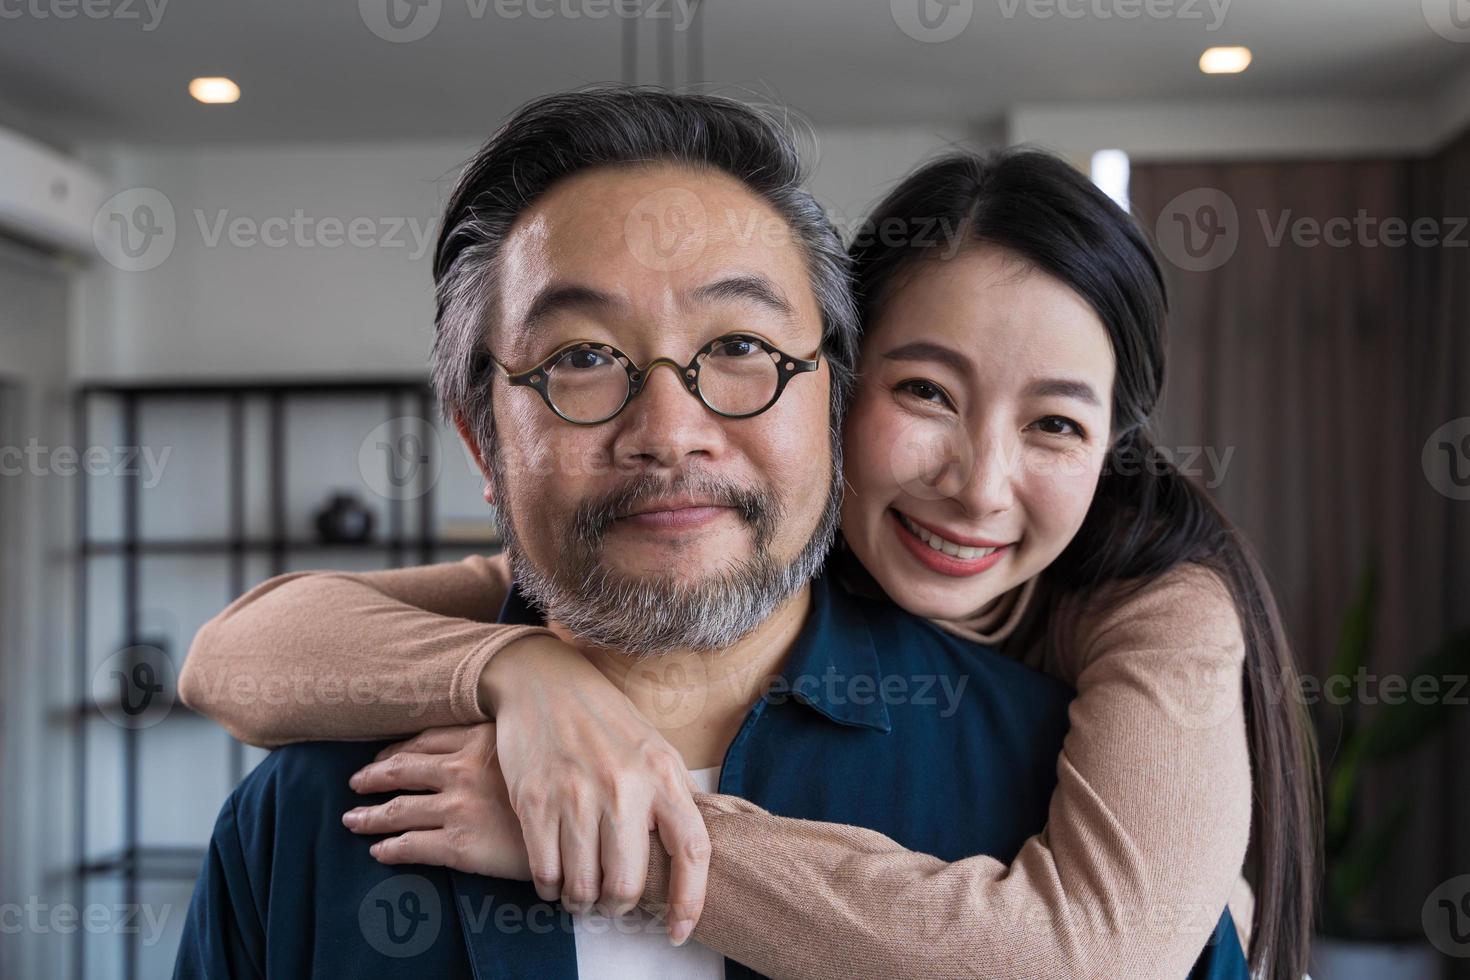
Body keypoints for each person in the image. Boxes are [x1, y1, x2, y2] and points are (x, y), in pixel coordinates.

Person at [176, 88, 1284, 980]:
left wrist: (656, 842)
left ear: (825, 398)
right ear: (480, 437)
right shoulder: (310, 823)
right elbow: (235, 650)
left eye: (741, 347)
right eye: (580, 358)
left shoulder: (1075, 786)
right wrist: (516, 666)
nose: (672, 431)